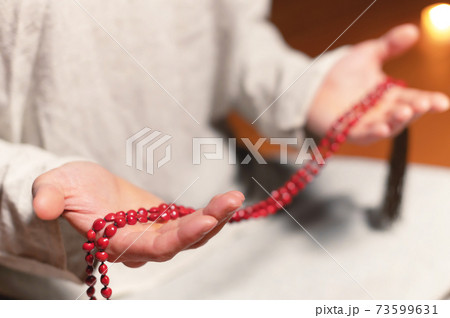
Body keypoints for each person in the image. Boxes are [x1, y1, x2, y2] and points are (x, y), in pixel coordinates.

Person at [0, 0, 448, 299]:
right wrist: (29, 184)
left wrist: (300, 88)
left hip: (249, 200)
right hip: (65, 274)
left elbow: (227, 35)